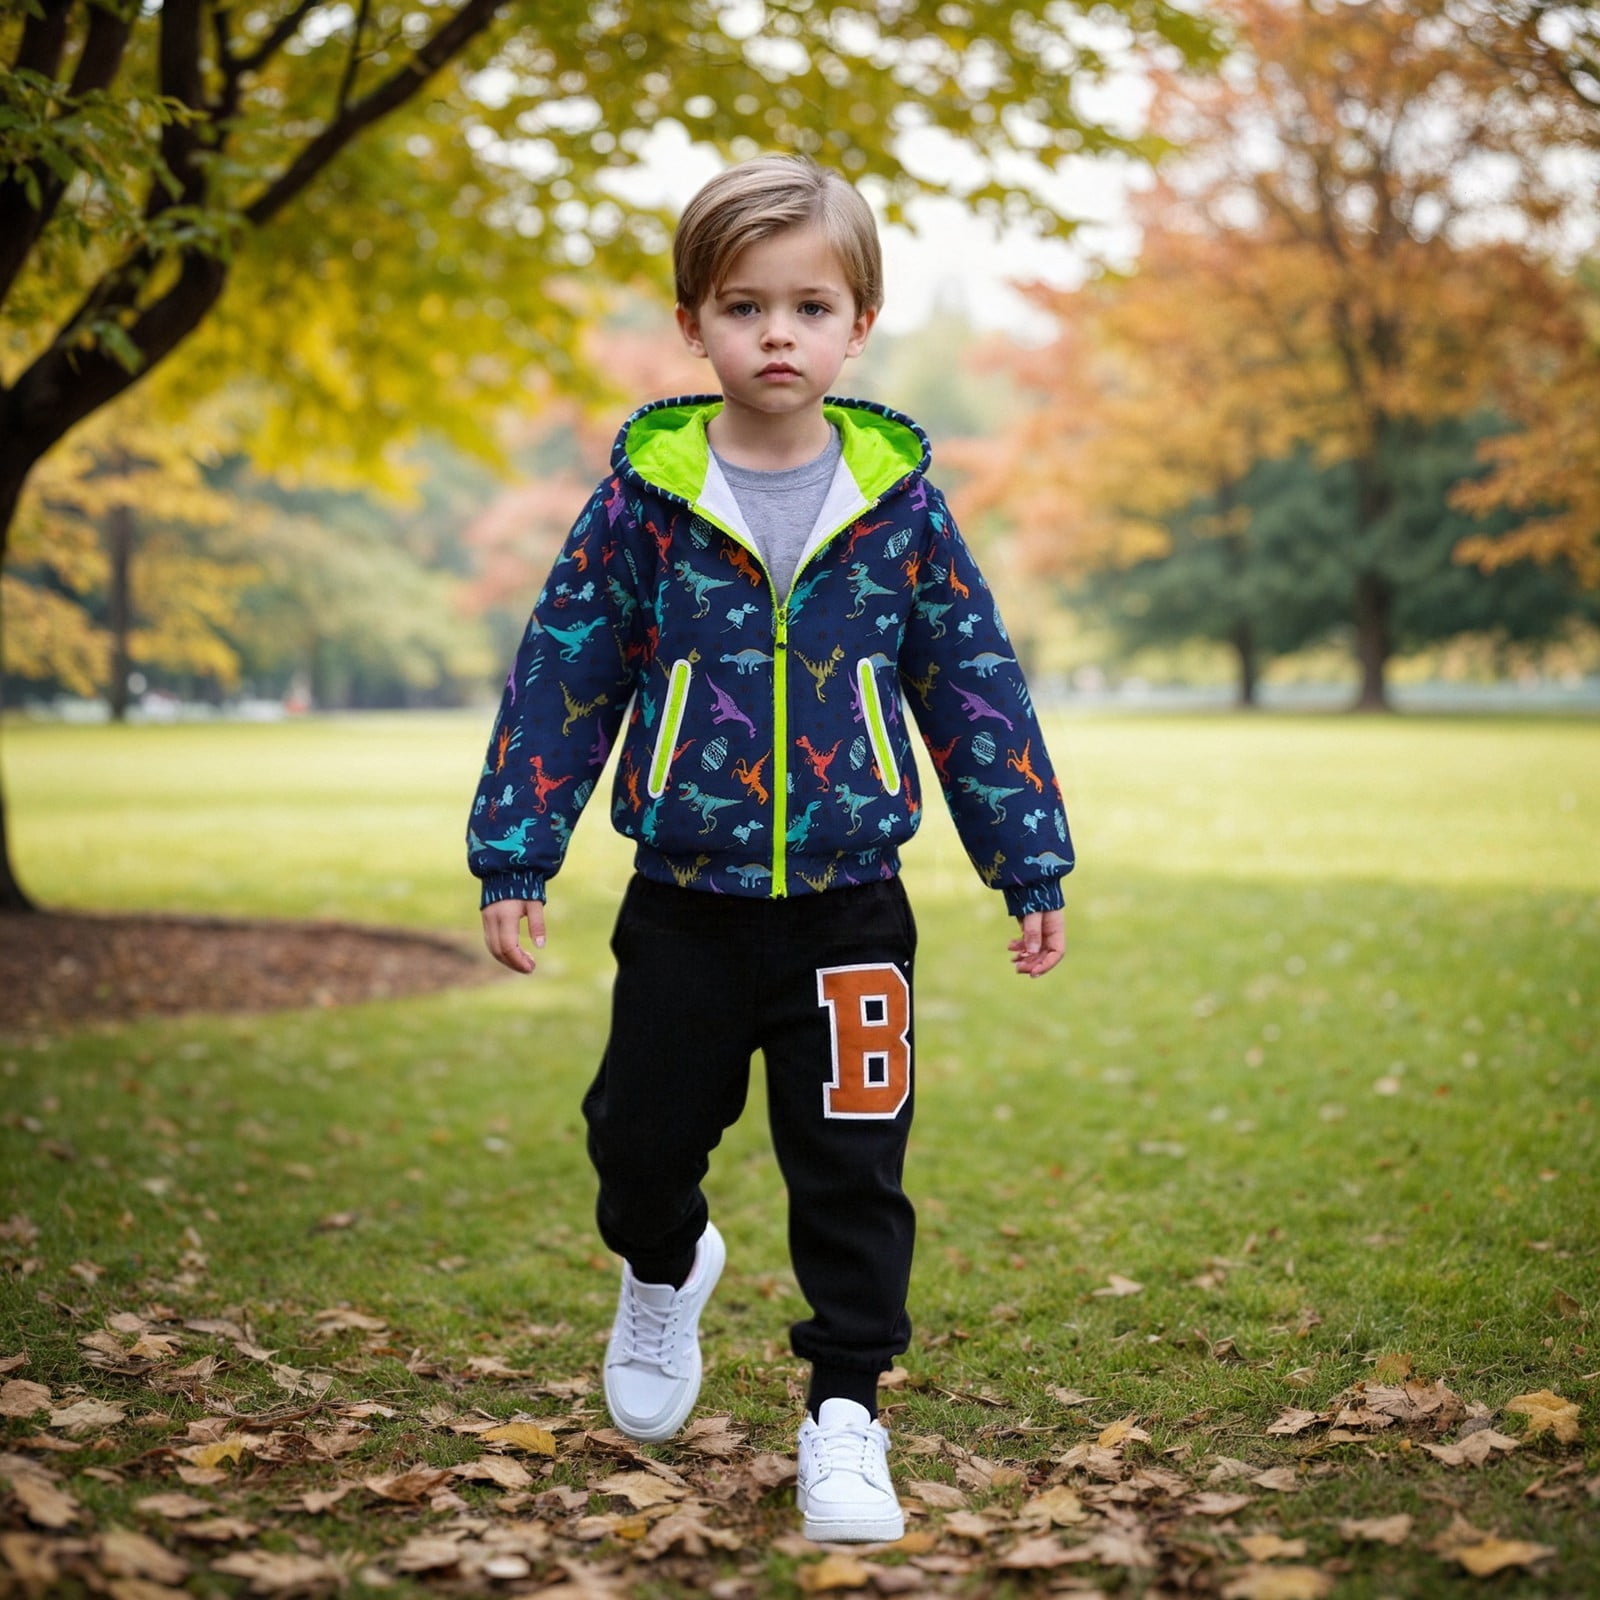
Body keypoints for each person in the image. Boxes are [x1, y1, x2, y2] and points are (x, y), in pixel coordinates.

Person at [468, 154, 1072, 1543]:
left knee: (854, 1164)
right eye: (745, 306)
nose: (778, 333)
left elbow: (972, 683)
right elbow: (563, 679)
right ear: (696, 324)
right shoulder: (645, 498)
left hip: (855, 910)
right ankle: (666, 1266)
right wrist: (517, 856)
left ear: (859, 325)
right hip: (683, 901)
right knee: (636, 1137)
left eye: (811, 305)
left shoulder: (900, 503)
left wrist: (1027, 860)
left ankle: (844, 1413)